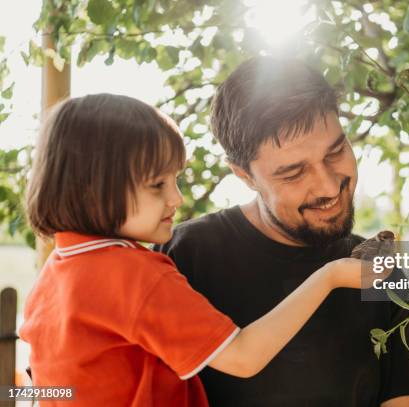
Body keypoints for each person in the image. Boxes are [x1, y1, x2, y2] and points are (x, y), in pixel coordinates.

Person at [19, 93, 369, 406]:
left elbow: (40, 387)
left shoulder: (55, 274)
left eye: (336, 151)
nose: (177, 198)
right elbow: (244, 357)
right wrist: (331, 276)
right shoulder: (154, 265)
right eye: (157, 184)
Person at [157, 56, 409, 406]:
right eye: (293, 173)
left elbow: (403, 399)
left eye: (336, 151)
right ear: (245, 176)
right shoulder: (188, 256)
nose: (329, 186)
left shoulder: (382, 272)